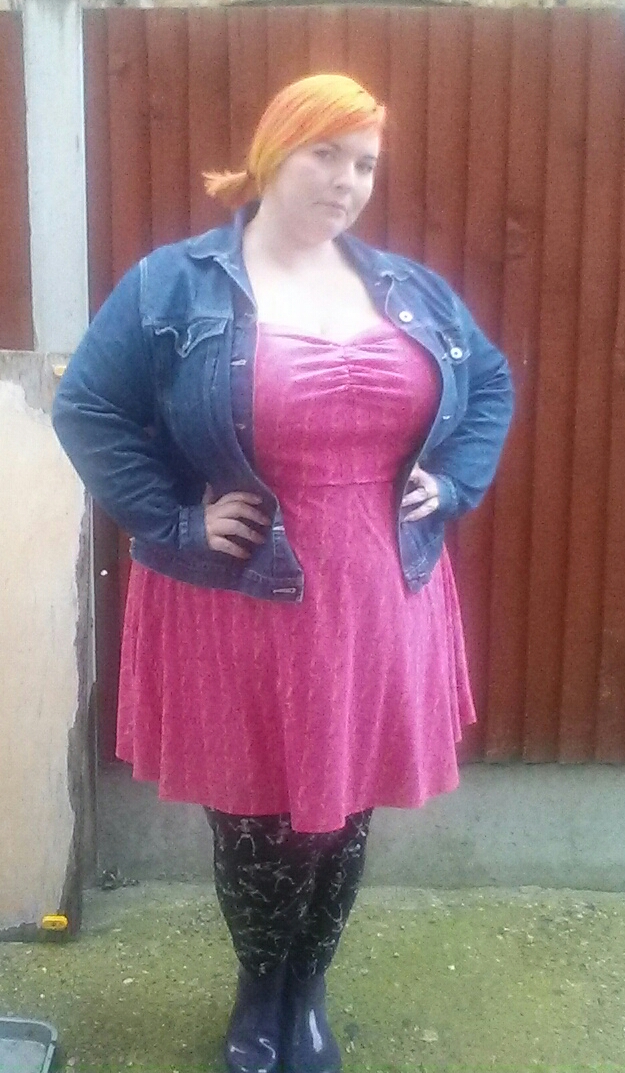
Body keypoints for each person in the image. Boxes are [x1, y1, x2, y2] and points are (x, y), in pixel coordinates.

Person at [53, 73, 513, 1073]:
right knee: (255, 815)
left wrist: (452, 479)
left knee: (343, 806)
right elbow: (88, 406)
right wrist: (175, 519)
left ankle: (307, 989)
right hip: (238, 596)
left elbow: (488, 382)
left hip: (378, 591)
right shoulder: (173, 284)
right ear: (273, 151)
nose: (347, 180)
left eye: (365, 164)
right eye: (326, 153)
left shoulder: (407, 288)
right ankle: (259, 991)